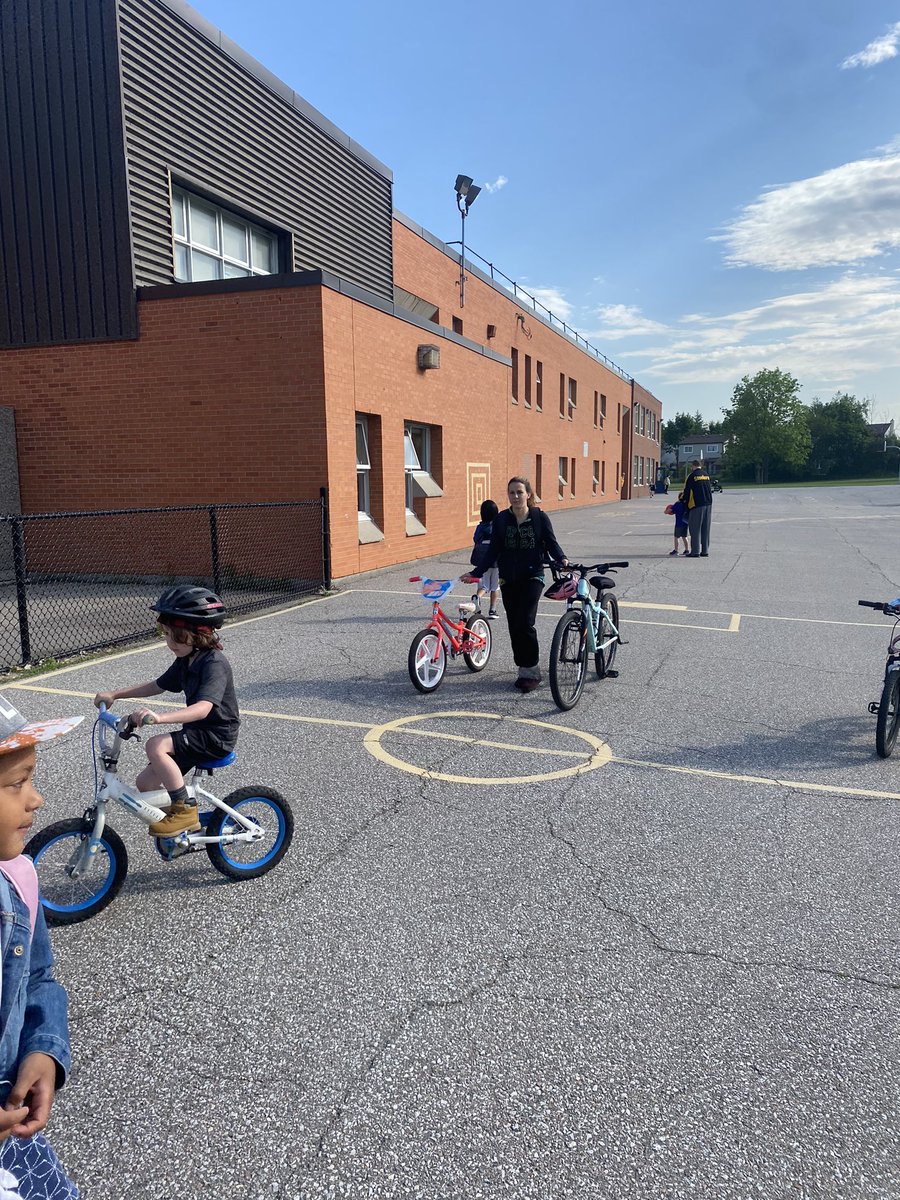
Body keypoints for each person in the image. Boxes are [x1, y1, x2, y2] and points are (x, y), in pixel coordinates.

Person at [0, 693, 82, 1199]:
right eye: (16, 784)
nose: (38, 800)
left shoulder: (20, 880)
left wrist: (43, 1050)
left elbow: (36, 977)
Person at [93, 586, 239, 838]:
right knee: (146, 784)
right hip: (195, 734)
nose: (170, 643)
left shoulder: (214, 663)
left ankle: (185, 812)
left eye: (177, 637)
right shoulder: (187, 659)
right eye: (168, 635)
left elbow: (203, 709)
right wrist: (116, 694)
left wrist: (160, 718)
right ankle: (182, 830)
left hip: (215, 736)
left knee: (155, 745)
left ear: (199, 634)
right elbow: (157, 685)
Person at [461, 476, 567, 693]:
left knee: (526, 621)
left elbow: (552, 543)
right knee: (513, 624)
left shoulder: (539, 518)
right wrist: (476, 572)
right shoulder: (501, 520)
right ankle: (523, 668)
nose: (516, 496)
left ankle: (532, 671)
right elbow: (493, 551)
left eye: (520, 492)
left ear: (528, 494)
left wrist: (563, 559)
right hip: (507, 577)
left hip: (532, 577)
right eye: (512, 493)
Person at [470, 499, 500, 619]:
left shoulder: (480, 527)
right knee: (495, 586)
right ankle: (492, 609)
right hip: (496, 561)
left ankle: (477, 599)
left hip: (482, 560)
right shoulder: (497, 526)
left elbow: (475, 539)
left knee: (483, 585)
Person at [681, 459, 713, 557]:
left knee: (695, 529)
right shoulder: (706, 475)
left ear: (693, 466)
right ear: (700, 465)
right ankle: (705, 550)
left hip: (697, 504)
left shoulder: (692, 476)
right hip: (708, 503)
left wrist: (684, 502)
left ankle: (695, 551)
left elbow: (687, 491)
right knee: (705, 528)